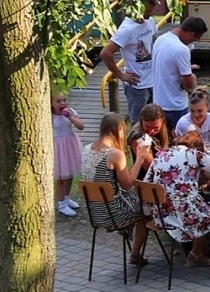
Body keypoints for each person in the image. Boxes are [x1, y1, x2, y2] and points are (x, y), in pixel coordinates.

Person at [145, 130, 210, 273]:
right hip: (187, 217)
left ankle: (196, 254)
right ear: (197, 147)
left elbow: (147, 183)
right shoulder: (193, 154)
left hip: (163, 216)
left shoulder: (160, 155)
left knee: (202, 205)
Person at [83, 114, 152, 270]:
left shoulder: (87, 148)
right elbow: (127, 184)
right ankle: (135, 254)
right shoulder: (115, 154)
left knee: (136, 199)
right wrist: (141, 157)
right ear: (119, 130)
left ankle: (131, 244)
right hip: (113, 213)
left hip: (95, 211)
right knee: (147, 209)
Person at [100, 0, 166, 117]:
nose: (150, 14)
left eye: (151, 10)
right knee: (137, 120)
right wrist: (120, 75)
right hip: (137, 85)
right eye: (147, 11)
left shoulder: (150, 21)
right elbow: (105, 53)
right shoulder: (127, 30)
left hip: (153, 81)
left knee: (156, 117)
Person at [151, 16, 208, 129]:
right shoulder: (181, 49)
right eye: (196, 38)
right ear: (191, 34)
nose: (194, 42)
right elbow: (188, 83)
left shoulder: (161, 39)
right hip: (176, 105)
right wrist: (192, 80)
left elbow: (168, 66)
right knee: (183, 141)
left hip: (158, 102)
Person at [51, 92, 86, 218]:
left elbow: (81, 126)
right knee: (61, 177)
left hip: (70, 144)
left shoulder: (70, 112)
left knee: (70, 174)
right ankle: (61, 204)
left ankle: (66, 198)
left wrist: (70, 117)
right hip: (58, 146)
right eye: (58, 101)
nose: (63, 103)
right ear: (51, 104)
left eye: (64, 100)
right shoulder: (50, 117)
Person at [175, 87, 210, 157]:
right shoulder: (184, 123)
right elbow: (199, 150)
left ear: (207, 107)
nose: (196, 115)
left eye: (200, 111)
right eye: (192, 111)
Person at [127, 103, 171, 179]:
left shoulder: (168, 129)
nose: (151, 131)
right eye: (147, 127)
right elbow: (150, 168)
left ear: (163, 121)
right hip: (147, 180)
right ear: (141, 120)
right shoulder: (138, 137)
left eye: (155, 127)